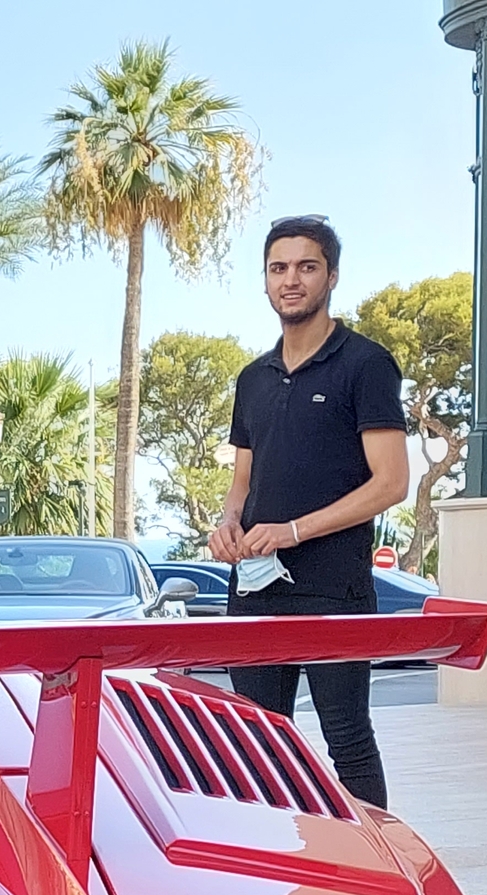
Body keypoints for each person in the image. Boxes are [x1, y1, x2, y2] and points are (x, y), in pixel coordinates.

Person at [209, 215, 412, 809]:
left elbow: (392, 483)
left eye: (306, 266)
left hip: (334, 591)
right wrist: (228, 525)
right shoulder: (253, 378)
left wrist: (294, 531)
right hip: (253, 592)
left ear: (331, 276)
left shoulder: (366, 365)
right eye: (279, 268)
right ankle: (277, 864)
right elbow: (242, 482)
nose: (291, 279)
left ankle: (379, 871)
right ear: (265, 281)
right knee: (257, 745)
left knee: (347, 741)